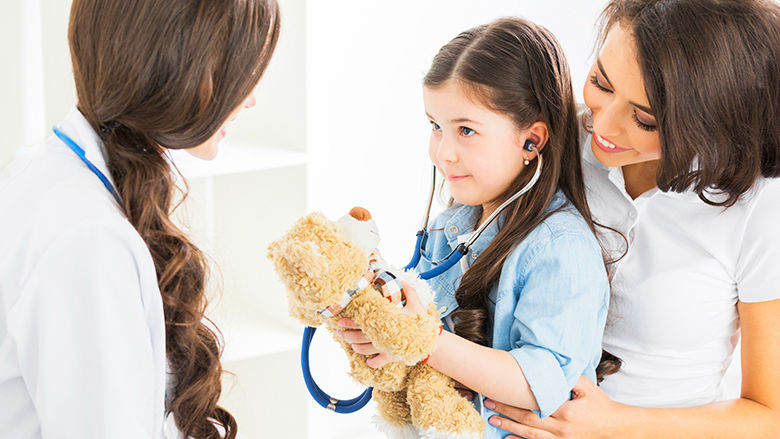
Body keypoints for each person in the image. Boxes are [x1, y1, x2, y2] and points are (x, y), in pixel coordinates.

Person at [484, 1, 780, 437]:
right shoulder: (547, 140)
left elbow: (769, 415)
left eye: (644, 119)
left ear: (714, 119)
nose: (601, 124)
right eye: (601, 83)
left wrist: (616, 425)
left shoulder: (758, 206)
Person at [0, 1, 280, 438]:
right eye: (238, 67)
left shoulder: (54, 172)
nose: (251, 97)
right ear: (176, 63)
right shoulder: (88, 241)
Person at [337, 18, 611, 438]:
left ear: (531, 141)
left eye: (466, 130)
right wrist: (384, 332)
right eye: (435, 126)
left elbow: (544, 383)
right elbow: (428, 342)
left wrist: (422, 339)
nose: (443, 153)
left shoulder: (561, 249)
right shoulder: (451, 227)